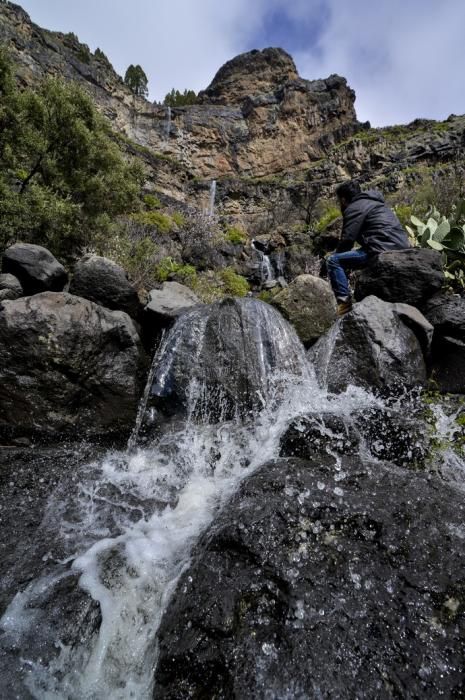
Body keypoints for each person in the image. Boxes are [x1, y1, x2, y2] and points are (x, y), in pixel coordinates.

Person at [326, 180, 410, 315]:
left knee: (334, 260)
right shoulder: (376, 203)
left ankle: (344, 304)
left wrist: (334, 264)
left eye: (339, 201)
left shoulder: (353, 208)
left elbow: (347, 241)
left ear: (343, 199)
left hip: (381, 249)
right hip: (402, 246)